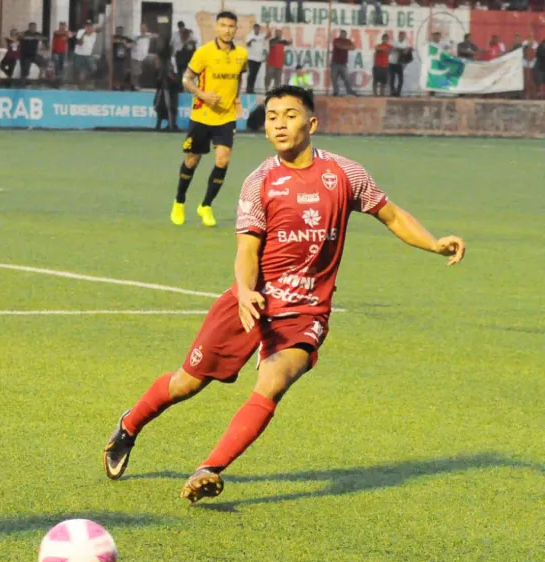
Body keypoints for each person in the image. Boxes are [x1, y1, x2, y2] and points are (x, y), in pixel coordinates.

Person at [103, 85, 465, 502]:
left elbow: (392, 215)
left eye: (290, 115)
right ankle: (129, 426)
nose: (279, 123)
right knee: (186, 384)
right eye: (272, 116)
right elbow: (247, 251)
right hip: (251, 300)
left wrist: (434, 243)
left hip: (306, 312)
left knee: (274, 379)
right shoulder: (260, 182)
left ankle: (209, 469)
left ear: (311, 123)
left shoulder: (345, 174)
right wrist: (242, 292)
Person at [170, 11, 248, 228]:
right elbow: (187, 79)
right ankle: (179, 200)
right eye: (223, 25)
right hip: (202, 116)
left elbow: (239, 77)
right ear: (216, 27)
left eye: (231, 26)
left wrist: (237, 99)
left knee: (223, 160)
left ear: (235, 29)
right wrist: (203, 95)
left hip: (226, 117)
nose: (227, 30)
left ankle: (206, 205)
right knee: (192, 160)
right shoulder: (203, 52)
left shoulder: (241, 54)